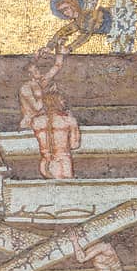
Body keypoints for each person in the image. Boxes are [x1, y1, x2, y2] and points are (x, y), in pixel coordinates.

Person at [20, 50, 80, 179]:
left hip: (45, 161)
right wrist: (48, 97)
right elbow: (37, 107)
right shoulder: (26, 88)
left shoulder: (40, 83)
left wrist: (60, 53)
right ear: (29, 74)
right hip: (61, 161)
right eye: (36, 71)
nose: (40, 73)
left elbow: (56, 67)